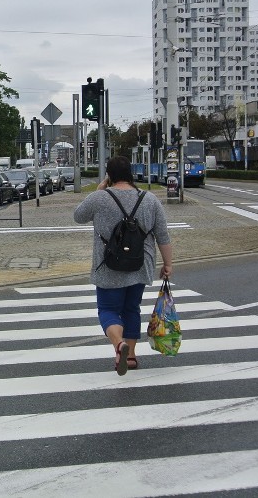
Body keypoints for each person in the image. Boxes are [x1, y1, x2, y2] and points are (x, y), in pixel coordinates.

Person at [73, 156, 173, 376]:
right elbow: (163, 236)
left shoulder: (100, 198)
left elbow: (78, 216)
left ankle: (119, 345)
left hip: (108, 265)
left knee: (108, 310)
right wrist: (167, 264)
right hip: (140, 264)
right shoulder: (149, 199)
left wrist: (99, 190)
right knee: (131, 309)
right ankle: (131, 356)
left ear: (109, 176)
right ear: (131, 173)